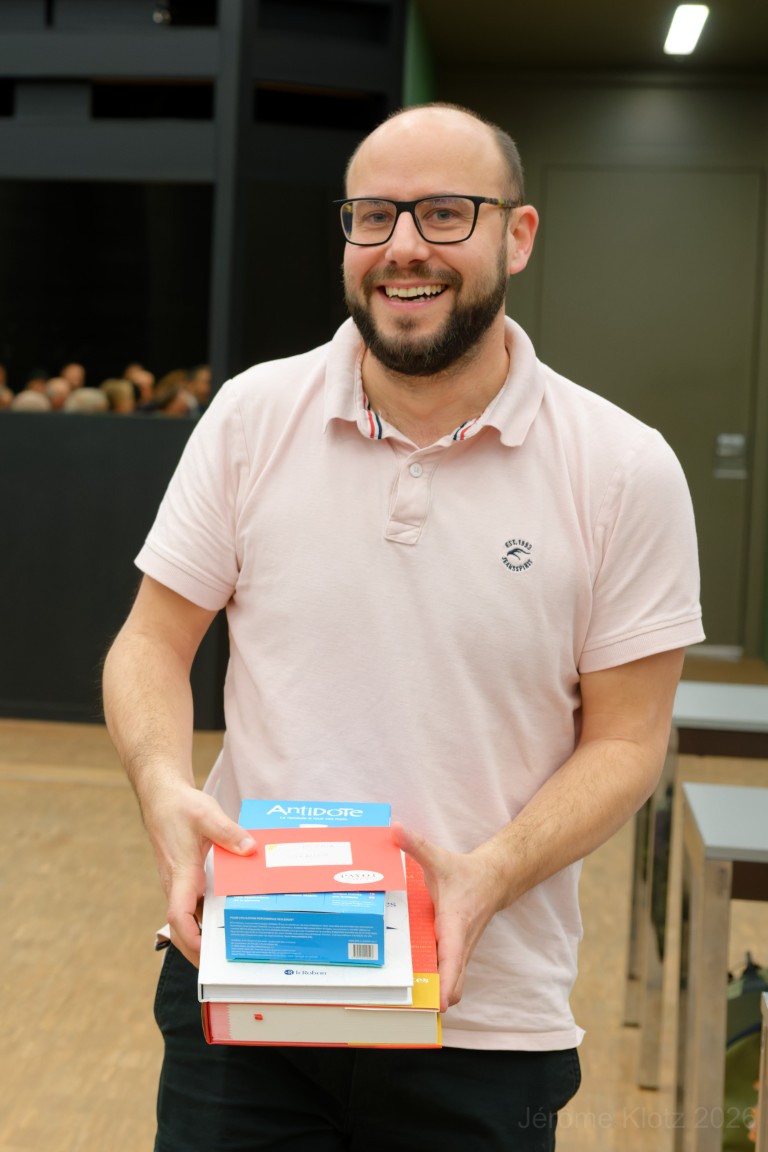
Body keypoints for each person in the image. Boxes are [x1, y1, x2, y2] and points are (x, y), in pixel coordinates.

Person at [102, 103, 704, 1151]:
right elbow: (152, 643)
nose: (404, 248)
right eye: (373, 216)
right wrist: (161, 784)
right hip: (249, 988)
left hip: (482, 1021)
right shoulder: (251, 417)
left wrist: (493, 871)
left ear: (517, 235)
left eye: (445, 213)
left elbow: (627, 740)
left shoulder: (624, 468)